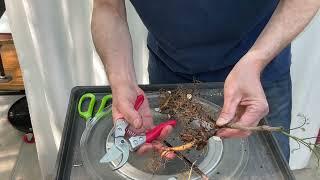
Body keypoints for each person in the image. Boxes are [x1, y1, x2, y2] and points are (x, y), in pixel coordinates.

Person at [91, 0, 320, 162]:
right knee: (180, 162)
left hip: (257, 77)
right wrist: (122, 80)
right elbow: (107, 7)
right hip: (170, 71)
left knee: (263, 167)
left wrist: (257, 59)